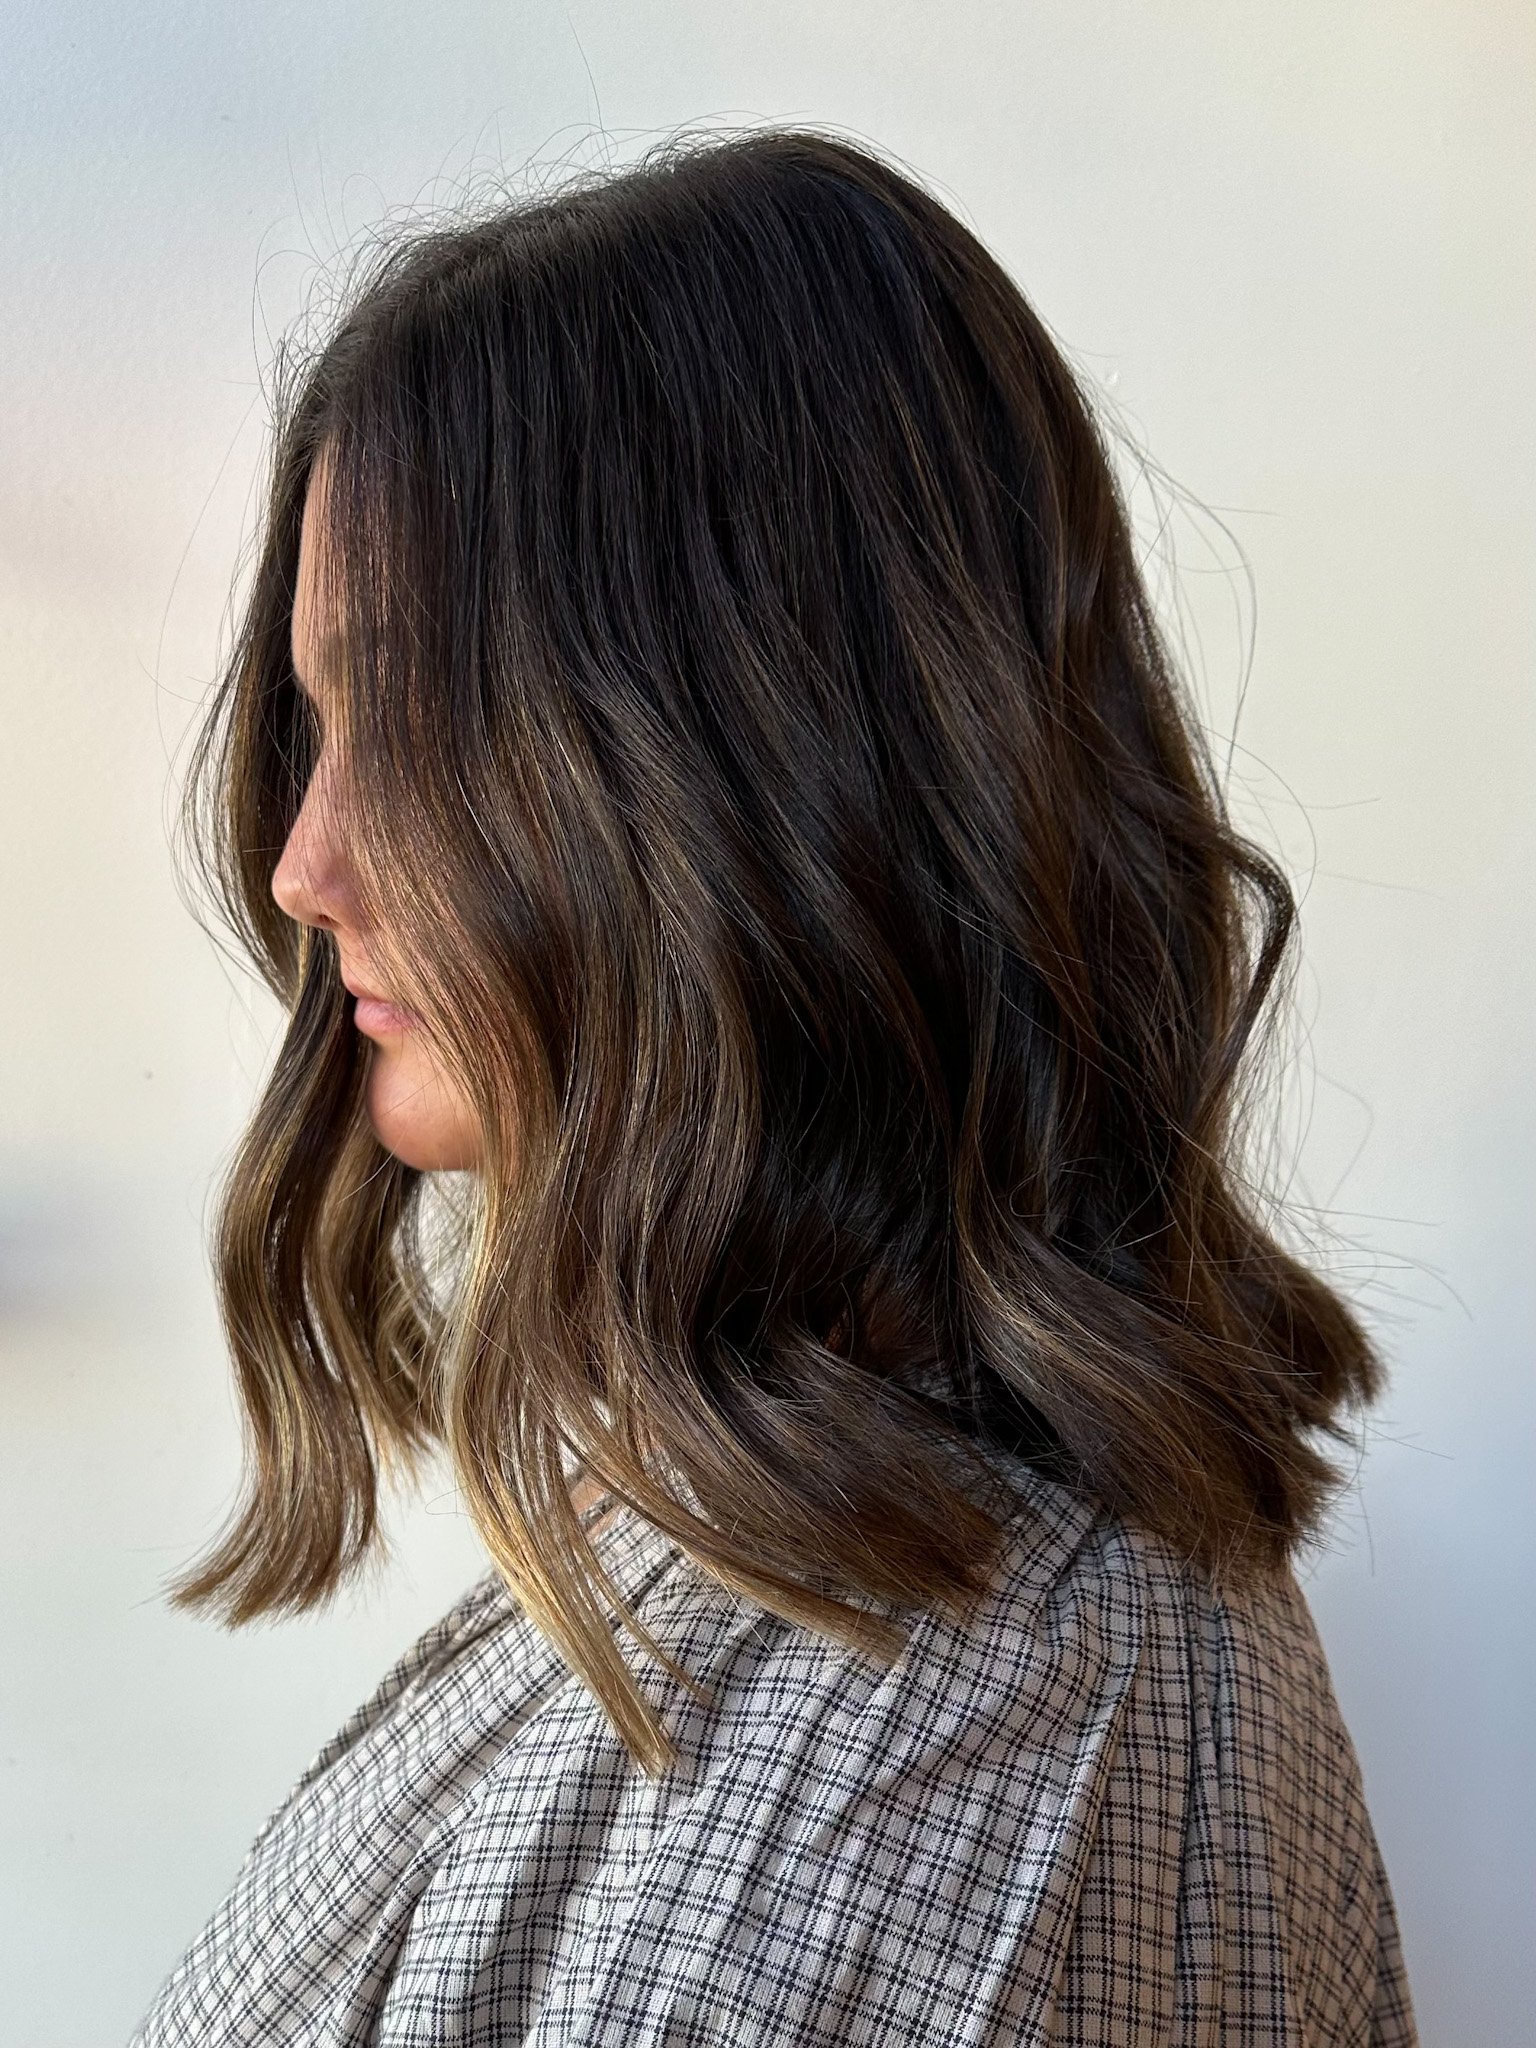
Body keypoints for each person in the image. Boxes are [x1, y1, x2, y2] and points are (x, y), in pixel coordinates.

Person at [130, 125, 1417, 2046]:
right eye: (319, 725)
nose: (306, 864)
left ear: (746, 767)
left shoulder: (958, 1741)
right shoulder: (803, 1570)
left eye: (410, 713)